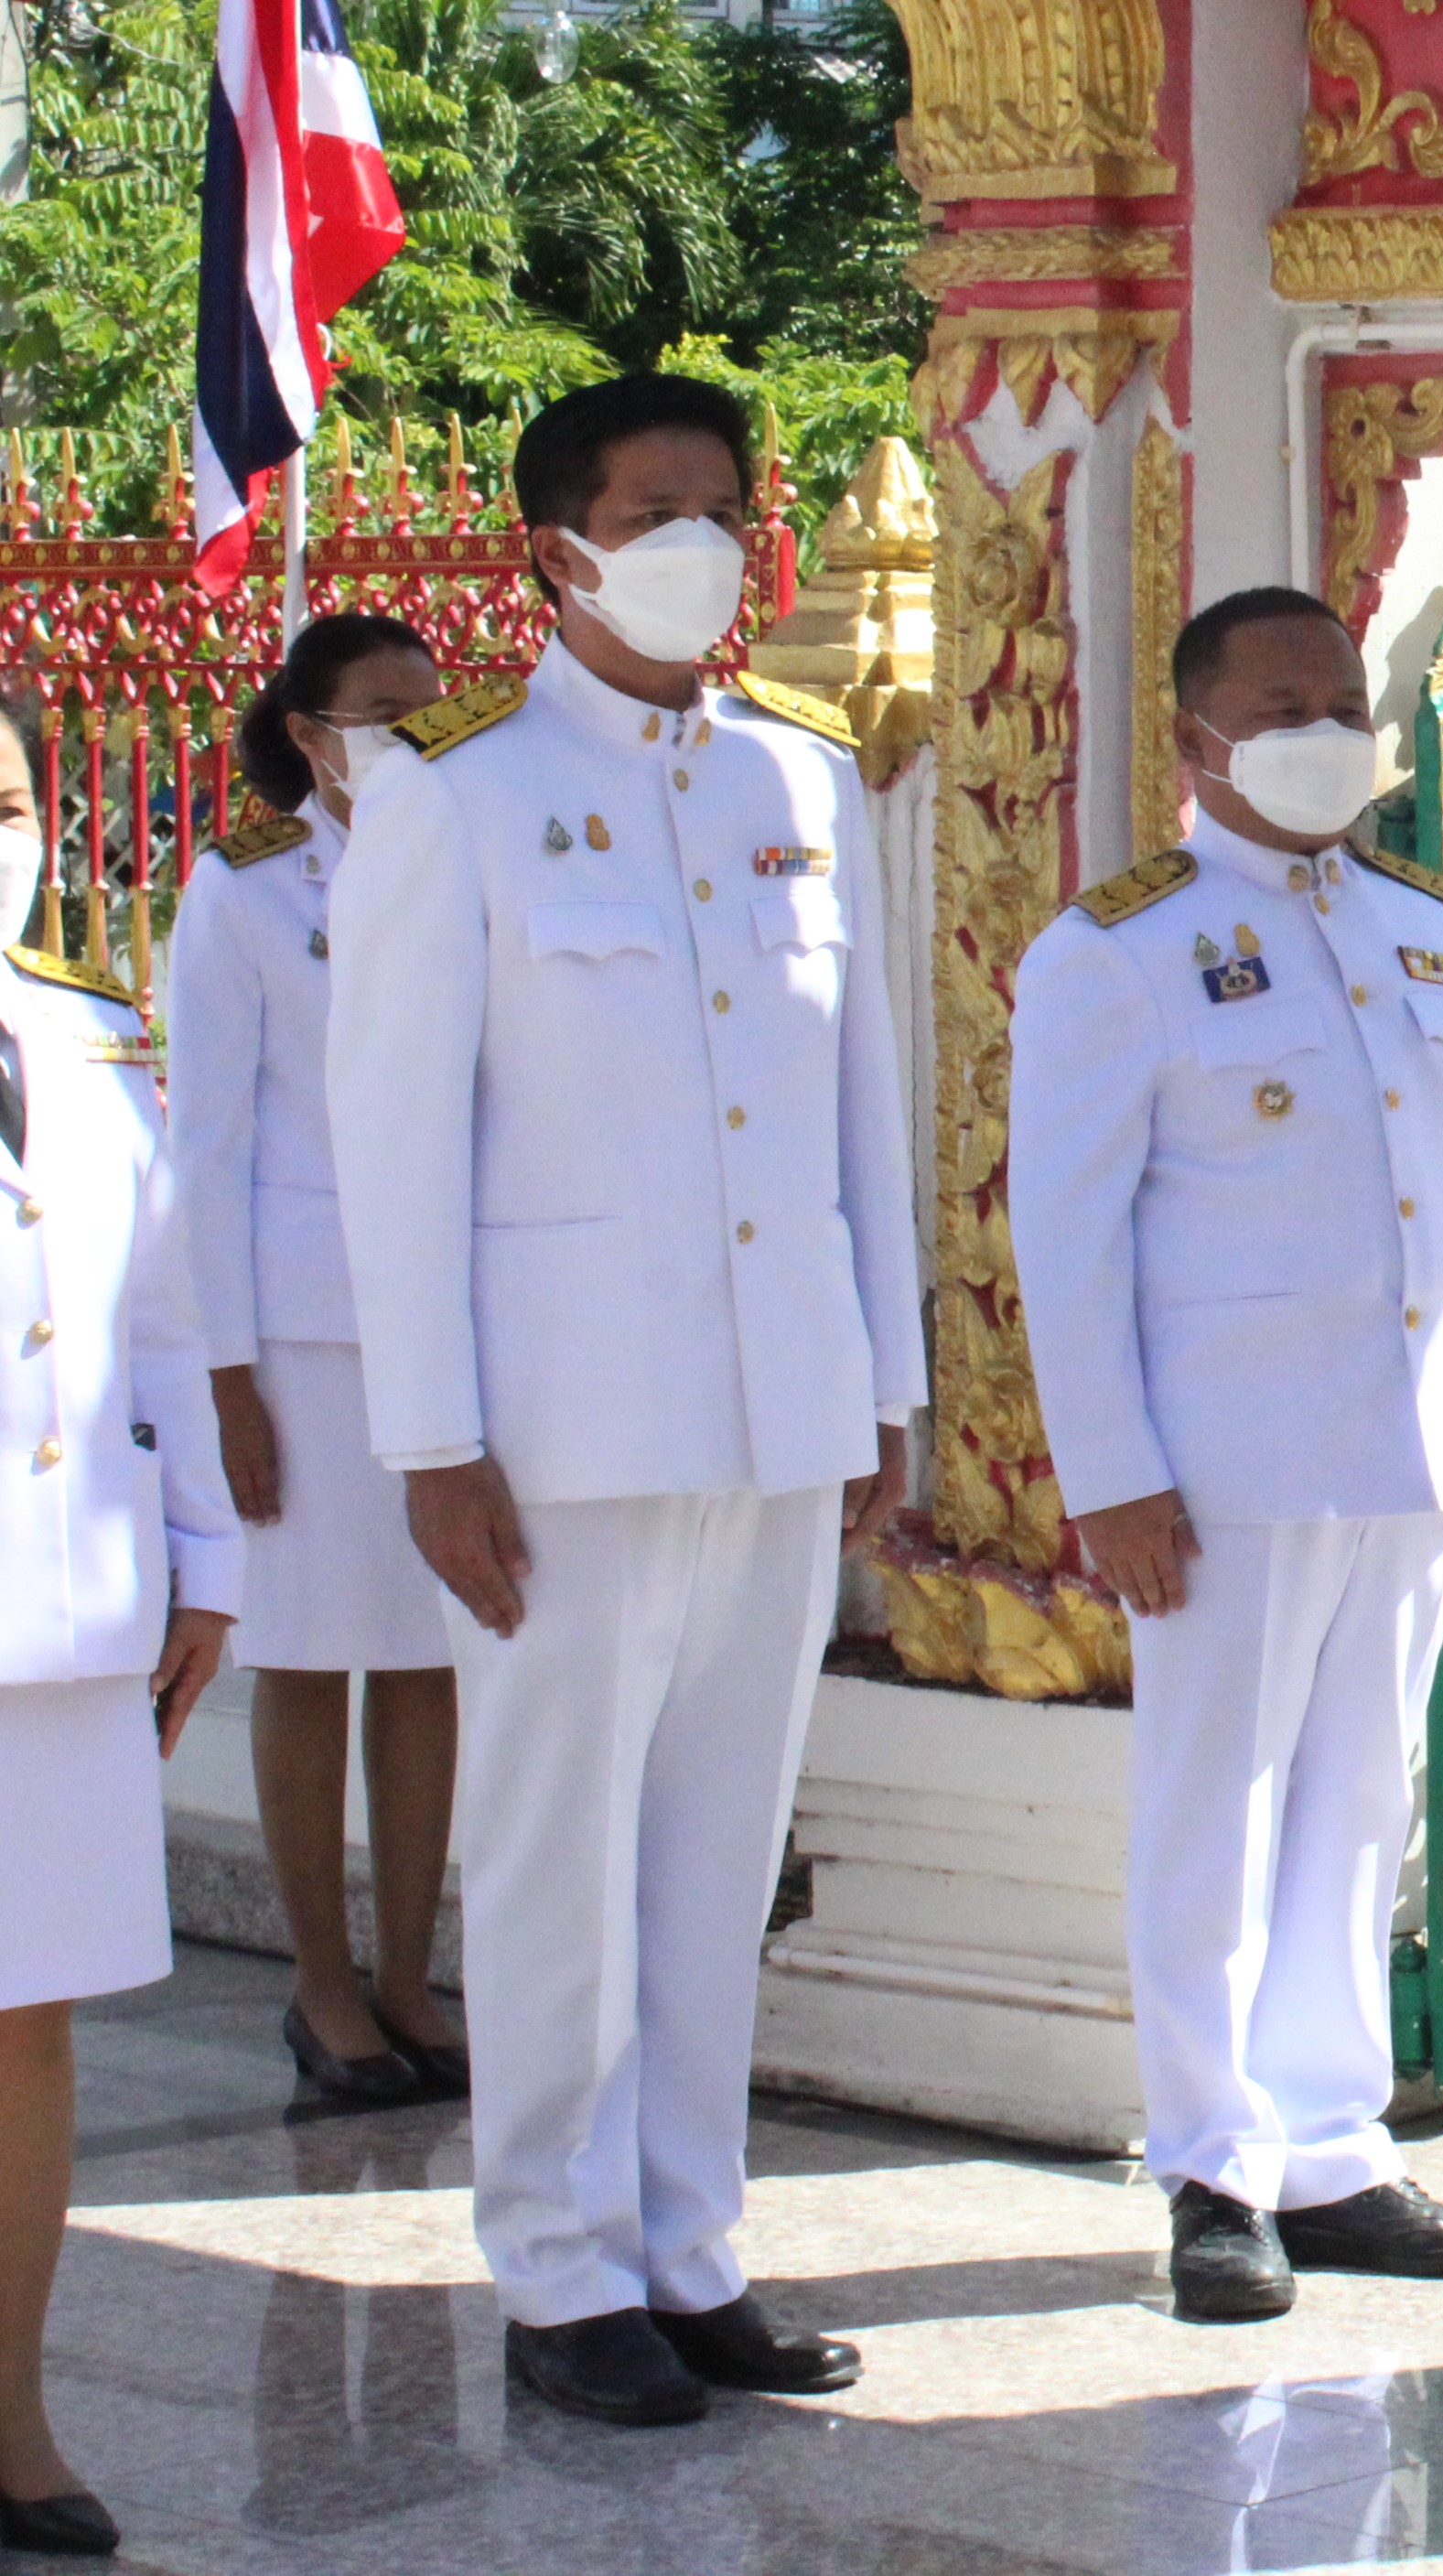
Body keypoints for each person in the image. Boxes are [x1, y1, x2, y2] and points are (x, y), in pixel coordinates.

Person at [327, 372, 921, 2427]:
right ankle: (562, 2267)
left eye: (727, 509)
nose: (708, 543)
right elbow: (389, 1145)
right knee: (558, 1843)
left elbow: (867, 1112)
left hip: (776, 1407)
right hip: (559, 1434)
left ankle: (692, 2244)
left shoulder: (804, 779)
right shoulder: (452, 794)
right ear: (555, 548)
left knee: (714, 1843)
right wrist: (429, 1440)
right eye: (658, 508)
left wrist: (887, 1386)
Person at [1007, 587, 1443, 2323]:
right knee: (1212, 1813)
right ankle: (1212, 2170)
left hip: (1409, 1450)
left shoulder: (1424, 928)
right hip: (1222, 1466)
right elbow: (1067, 1234)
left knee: (1360, 1805)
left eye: (1342, 701)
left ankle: (1331, 2148)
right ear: (1197, 739)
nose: (1324, 730)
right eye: (1281, 704)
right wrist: (1110, 1471)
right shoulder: (1115, 951)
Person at [169, 613, 464, 2107]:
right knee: (308, 1658)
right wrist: (223, 1373)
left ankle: (411, 1974)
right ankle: (324, 1984)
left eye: (430, 710)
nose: (409, 736)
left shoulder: (472, 862)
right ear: (308, 731)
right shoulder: (245, 893)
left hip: (451, 1319)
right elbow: (205, 1149)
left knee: (427, 1662)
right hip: (302, 1330)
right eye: (378, 713)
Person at [0, 792, 240, 2559]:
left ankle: (12, 2413)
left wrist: (205, 1562)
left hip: (61, 1615)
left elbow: (157, 1316)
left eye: (3, 803)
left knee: (28, 2030)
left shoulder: (85, 1034)